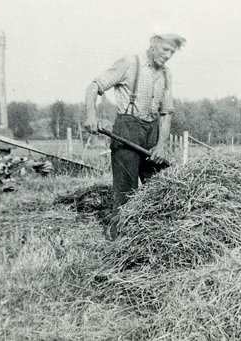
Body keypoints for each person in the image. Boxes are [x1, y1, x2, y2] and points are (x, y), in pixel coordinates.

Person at [83, 32, 186, 239]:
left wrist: (161, 145)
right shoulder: (130, 63)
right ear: (153, 44)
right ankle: (119, 241)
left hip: (152, 133)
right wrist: (91, 115)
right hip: (128, 129)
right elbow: (94, 86)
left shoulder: (166, 74)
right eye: (165, 49)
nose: (167, 56)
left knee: (158, 188)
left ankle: (152, 237)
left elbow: (166, 113)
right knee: (125, 192)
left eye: (172, 52)